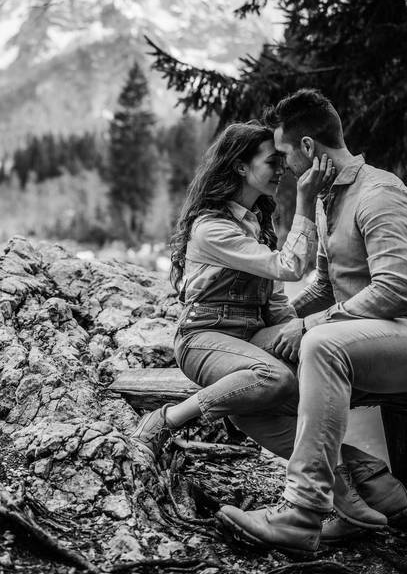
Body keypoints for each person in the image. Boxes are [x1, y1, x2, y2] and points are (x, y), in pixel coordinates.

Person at [216, 89, 407, 555]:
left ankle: (302, 513)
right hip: (363, 338)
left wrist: (309, 328)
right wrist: (276, 327)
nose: (283, 167)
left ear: (308, 148)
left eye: (285, 154)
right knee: (248, 369)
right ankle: (360, 490)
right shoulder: (329, 199)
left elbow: (395, 291)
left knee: (320, 345)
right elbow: (326, 285)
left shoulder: (380, 193)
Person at [130, 121, 334, 455]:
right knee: (275, 377)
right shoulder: (211, 228)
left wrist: (301, 331)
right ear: (240, 166)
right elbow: (289, 267)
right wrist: (306, 201)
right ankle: (167, 420)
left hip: (248, 337)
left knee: (318, 361)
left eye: (282, 160)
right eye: (272, 161)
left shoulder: (256, 223)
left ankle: (340, 474)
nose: (282, 168)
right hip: (202, 339)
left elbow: (276, 301)